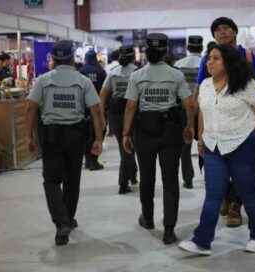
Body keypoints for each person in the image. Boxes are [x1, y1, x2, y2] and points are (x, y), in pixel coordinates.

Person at [178, 44, 255, 255]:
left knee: (246, 192)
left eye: (216, 58)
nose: (210, 62)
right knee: (213, 194)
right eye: (209, 59)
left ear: (228, 62)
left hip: (243, 144)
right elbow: (203, 114)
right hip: (213, 146)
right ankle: (202, 241)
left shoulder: (246, 85)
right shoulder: (206, 85)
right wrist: (200, 140)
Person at [25, 40, 103, 245]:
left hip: (51, 136)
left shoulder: (43, 80)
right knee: (72, 179)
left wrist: (29, 136)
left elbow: (30, 108)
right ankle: (66, 219)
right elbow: (96, 111)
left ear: (53, 59)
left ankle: (62, 223)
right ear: (71, 58)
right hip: (75, 135)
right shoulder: (83, 80)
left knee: (51, 180)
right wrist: (99, 139)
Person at [123, 33, 195, 245]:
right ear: (166, 51)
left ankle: (148, 218)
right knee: (170, 179)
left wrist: (126, 133)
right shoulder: (175, 74)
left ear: (146, 51)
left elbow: (130, 106)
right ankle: (169, 229)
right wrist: (190, 125)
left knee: (147, 177)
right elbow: (188, 103)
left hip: (145, 131)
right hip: (171, 132)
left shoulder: (137, 75)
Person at [194, 17, 255, 228]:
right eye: (217, 29)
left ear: (235, 32)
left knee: (243, 172)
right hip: (215, 126)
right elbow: (201, 88)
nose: (221, 32)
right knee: (215, 167)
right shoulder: (208, 59)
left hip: (245, 124)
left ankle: (236, 205)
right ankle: (224, 197)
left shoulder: (250, 57)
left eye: (226, 28)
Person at [99, 45, 139, 194]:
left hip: (115, 116)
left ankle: (133, 176)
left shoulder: (112, 73)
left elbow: (102, 96)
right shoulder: (137, 72)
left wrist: (103, 117)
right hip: (133, 114)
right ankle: (123, 185)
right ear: (133, 57)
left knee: (126, 148)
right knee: (128, 149)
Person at [174, 35, 203, 189]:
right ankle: (208, 175)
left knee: (185, 147)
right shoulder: (206, 63)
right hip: (204, 109)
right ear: (202, 47)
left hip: (184, 109)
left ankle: (188, 179)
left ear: (188, 47)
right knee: (207, 143)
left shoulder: (179, 64)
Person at [79, 49, 107, 170]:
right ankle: (94, 160)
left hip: (83, 107)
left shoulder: (80, 71)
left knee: (84, 134)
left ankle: (87, 159)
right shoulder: (101, 71)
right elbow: (105, 90)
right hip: (98, 106)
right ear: (95, 59)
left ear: (85, 59)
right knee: (98, 132)